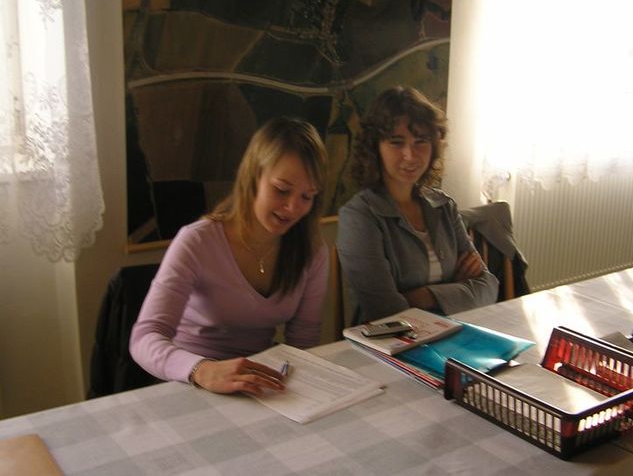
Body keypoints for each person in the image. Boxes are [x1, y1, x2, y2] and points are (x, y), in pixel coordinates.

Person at [130, 117, 329, 396]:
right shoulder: (197, 241)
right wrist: (203, 370)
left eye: (307, 196)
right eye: (282, 190)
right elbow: (144, 338)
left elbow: (303, 341)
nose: (293, 207)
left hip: (256, 383)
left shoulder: (312, 251)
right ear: (253, 177)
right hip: (189, 381)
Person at [337, 86, 498, 323]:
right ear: (375, 147)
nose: (410, 155)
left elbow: (489, 287)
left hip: (452, 332)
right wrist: (456, 289)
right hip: (390, 341)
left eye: (421, 141)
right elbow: (385, 311)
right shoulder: (359, 216)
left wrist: (423, 295)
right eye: (396, 142)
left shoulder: (444, 206)